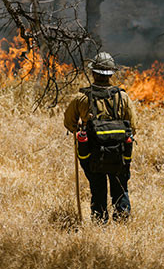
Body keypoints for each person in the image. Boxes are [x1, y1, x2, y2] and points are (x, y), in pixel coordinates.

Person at [64, 52, 137, 224]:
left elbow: (69, 123)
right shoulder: (123, 97)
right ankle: (122, 222)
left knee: (97, 188)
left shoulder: (82, 98)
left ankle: (99, 222)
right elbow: (133, 126)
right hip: (119, 153)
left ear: (93, 73)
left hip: (92, 154)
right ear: (111, 74)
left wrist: (80, 128)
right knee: (120, 187)